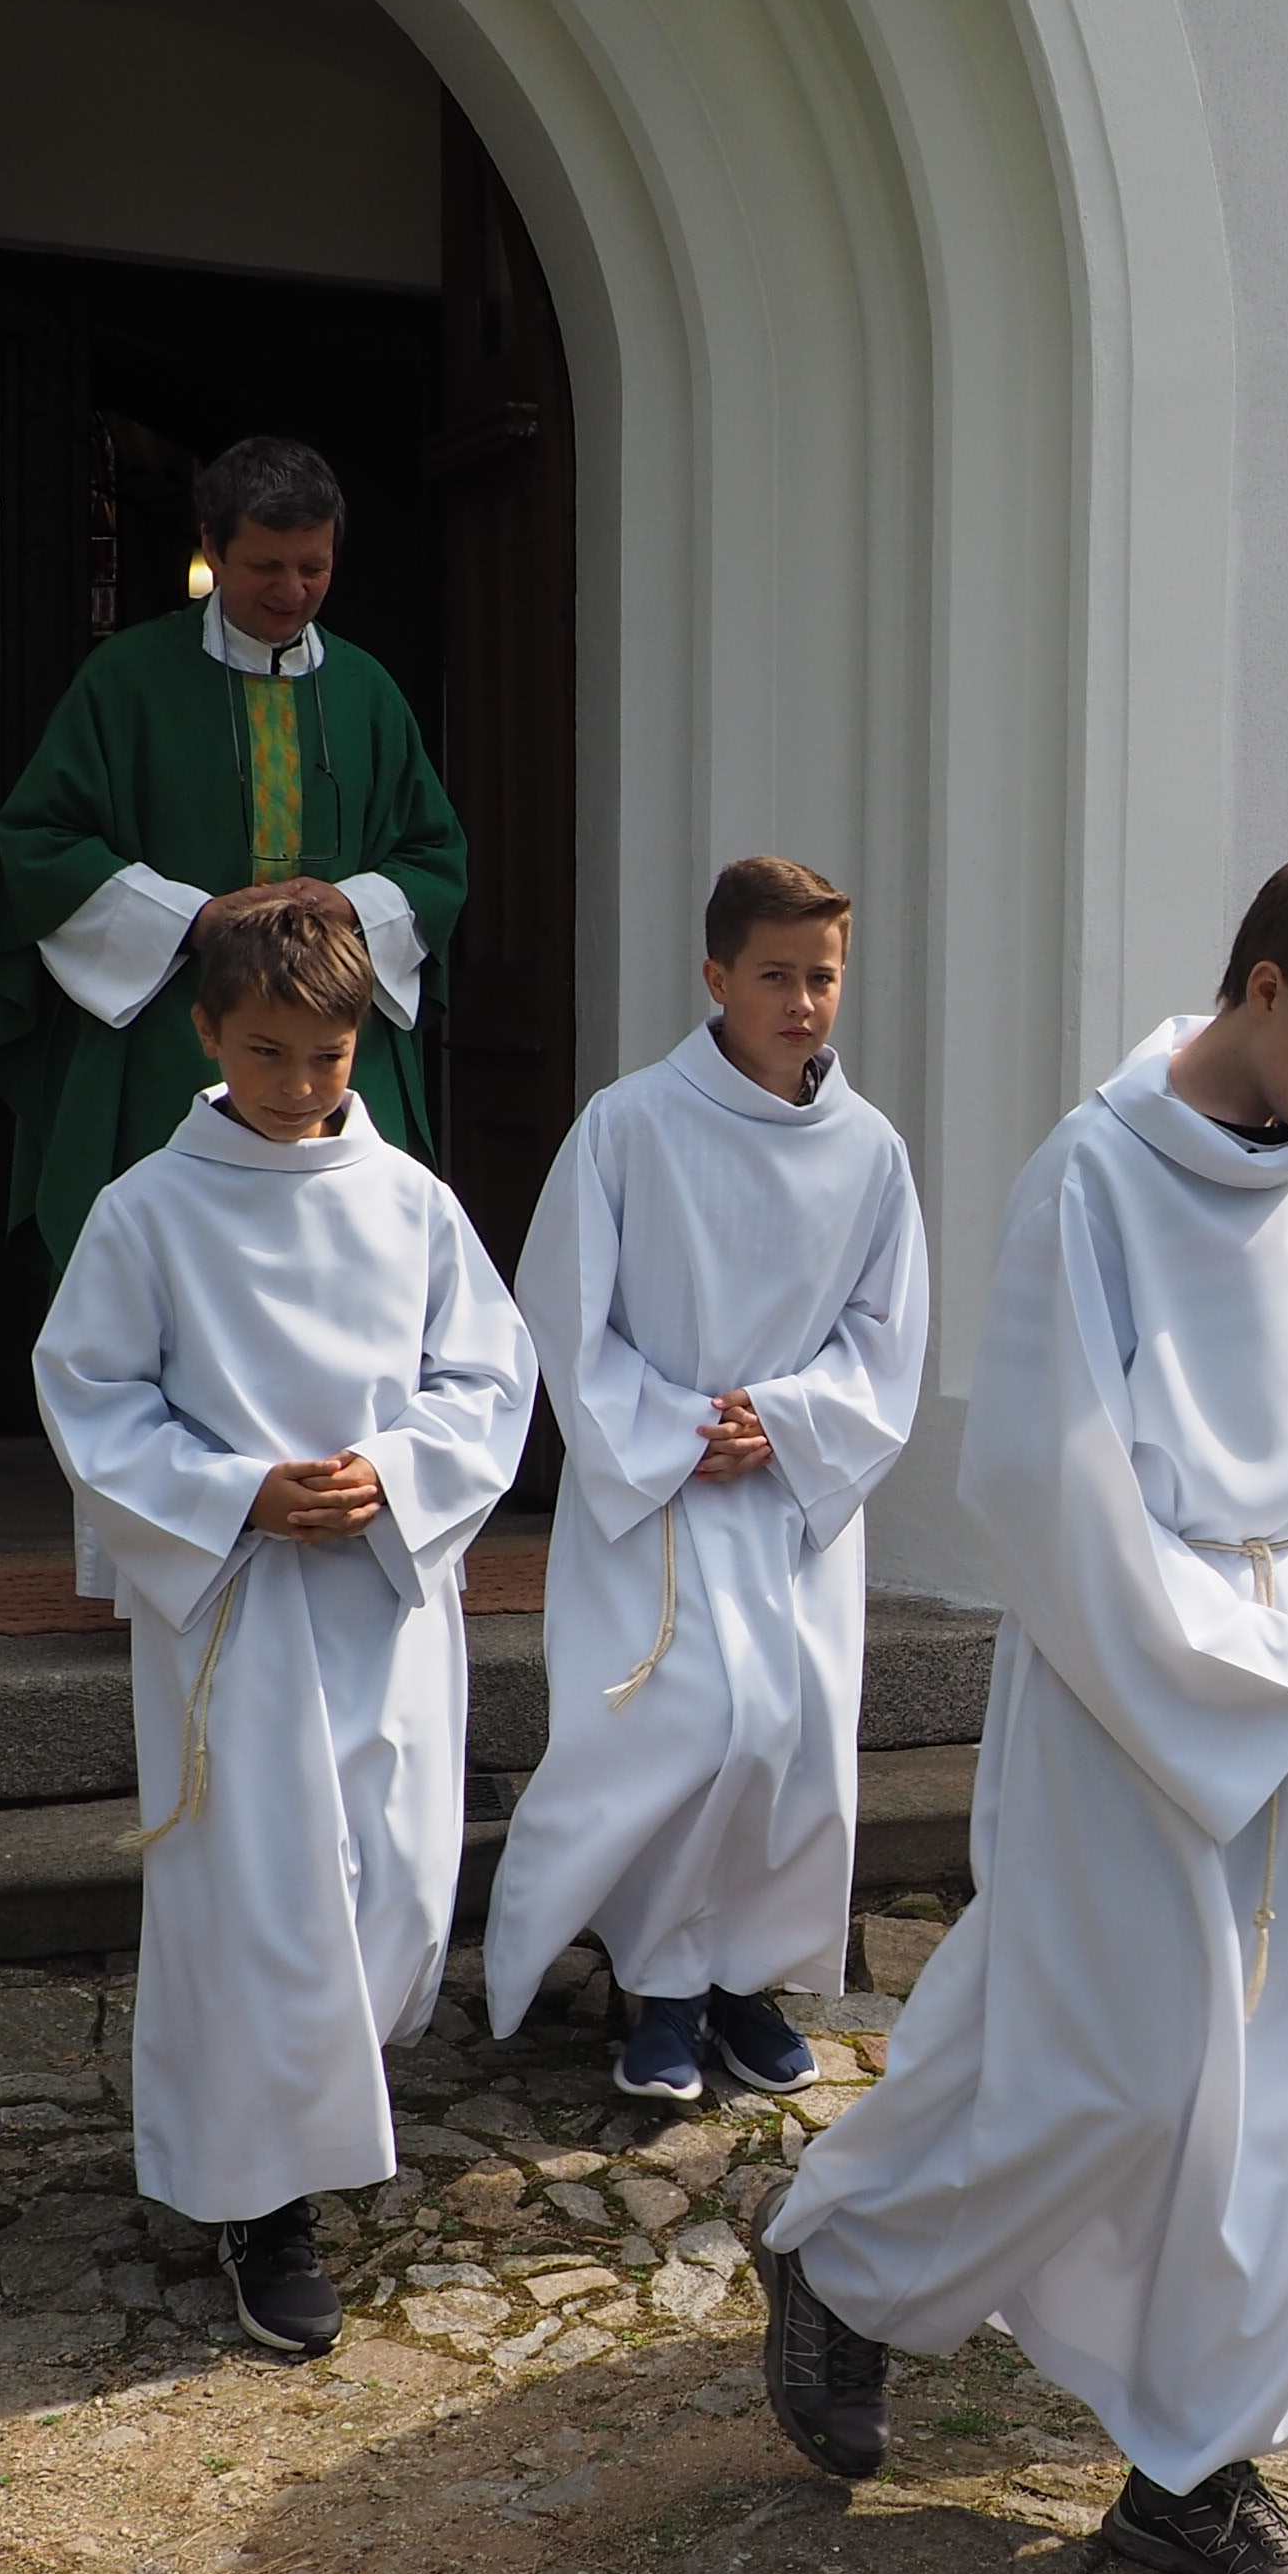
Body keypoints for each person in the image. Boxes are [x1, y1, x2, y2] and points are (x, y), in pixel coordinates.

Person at [751, 843, 1288, 2574]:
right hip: (1135, 1681)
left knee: (1282, 2098)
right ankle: (847, 2267)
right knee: (1107, 2069)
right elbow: (1047, 1480)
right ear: (1267, 990)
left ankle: (1192, 2476)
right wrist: (1252, 1656)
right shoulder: (1093, 1178)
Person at [32, 897, 532, 2361]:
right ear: (207, 1035)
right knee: (260, 1900)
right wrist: (236, 1491)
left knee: (397, 1882)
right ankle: (264, 2200)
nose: (301, 1084)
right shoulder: (149, 1211)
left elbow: (486, 1378)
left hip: (380, 1593)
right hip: (238, 1606)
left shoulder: (413, 1203)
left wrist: (398, 1475)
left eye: (328, 1055)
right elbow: (93, 1393)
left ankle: (311, 2104)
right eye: (267, 1052)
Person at [482, 857, 929, 2105]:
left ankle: (745, 1982)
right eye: (775, 976)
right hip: (664, 1494)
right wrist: (685, 1428)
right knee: (679, 1736)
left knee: (793, 1740)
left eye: (823, 977)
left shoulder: (870, 1151)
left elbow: (887, 1334)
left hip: (788, 1495)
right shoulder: (630, 1124)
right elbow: (564, 1309)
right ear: (716, 977)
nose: (802, 1002)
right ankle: (661, 1987)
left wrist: (783, 1423)